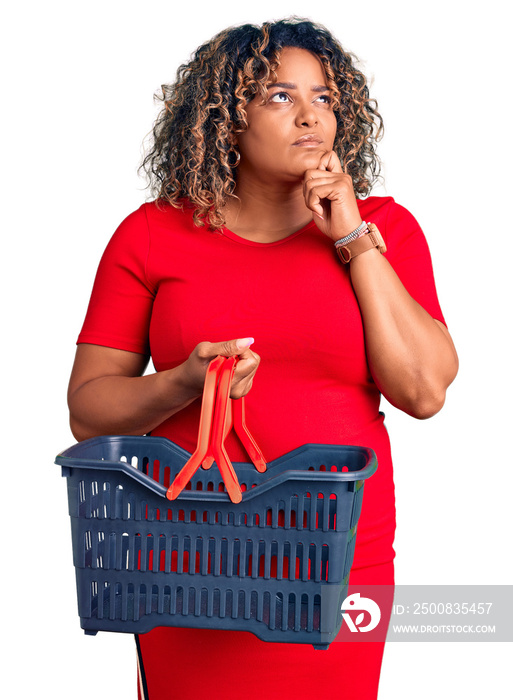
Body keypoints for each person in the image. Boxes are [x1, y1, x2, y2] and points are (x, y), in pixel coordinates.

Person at [67, 18, 458, 700]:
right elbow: (88, 410)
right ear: (226, 118)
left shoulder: (385, 229)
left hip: (335, 550)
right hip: (181, 554)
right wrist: (184, 382)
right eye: (279, 96)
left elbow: (422, 391)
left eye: (325, 98)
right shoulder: (151, 236)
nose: (310, 115)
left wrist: (353, 239)